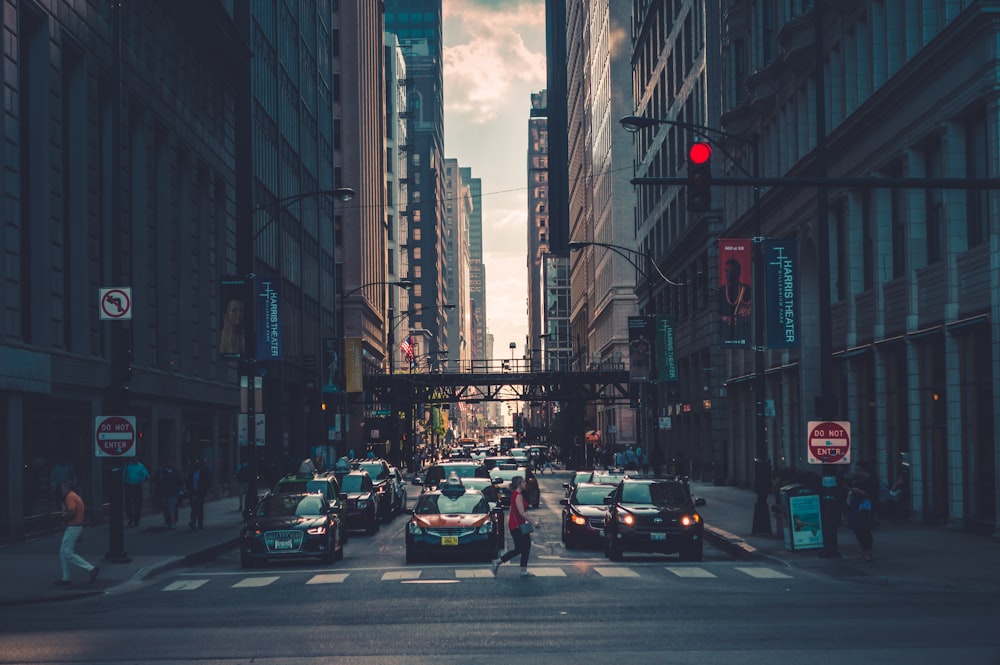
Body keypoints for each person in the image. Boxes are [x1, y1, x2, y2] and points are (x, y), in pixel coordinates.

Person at [491, 476, 539, 577]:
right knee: (520, 548)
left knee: (526, 547)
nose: (525, 483)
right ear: (518, 484)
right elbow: (522, 512)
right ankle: (498, 561)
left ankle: (523, 570)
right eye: (523, 482)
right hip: (516, 526)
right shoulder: (518, 496)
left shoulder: (516, 495)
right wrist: (533, 522)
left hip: (519, 524)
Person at [55, 480, 99, 586]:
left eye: (62, 488)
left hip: (72, 527)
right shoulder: (76, 496)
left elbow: (72, 512)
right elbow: (79, 515)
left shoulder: (70, 497)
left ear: (67, 488)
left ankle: (90, 568)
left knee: (67, 553)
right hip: (76, 527)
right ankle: (66, 577)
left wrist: (63, 518)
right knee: (63, 552)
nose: (61, 491)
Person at [847, 460, 880, 562]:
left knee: (864, 529)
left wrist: (860, 492)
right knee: (857, 528)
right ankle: (864, 549)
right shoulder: (857, 480)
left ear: (864, 471)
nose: (856, 472)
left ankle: (867, 550)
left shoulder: (871, 481)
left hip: (866, 507)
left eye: (858, 470)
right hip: (856, 507)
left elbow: (873, 495)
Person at [720, 258, 752, 345]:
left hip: (743, 331)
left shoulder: (746, 289)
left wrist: (744, 315)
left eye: (731, 271)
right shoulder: (721, 291)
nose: (728, 274)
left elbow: (751, 309)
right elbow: (716, 314)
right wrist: (727, 318)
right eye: (726, 270)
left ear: (738, 273)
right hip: (726, 332)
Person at [156, 458, 183, 529]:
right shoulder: (161, 471)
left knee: (172, 507)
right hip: (163, 493)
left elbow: (180, 481)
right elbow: (155, 479)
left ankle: (173, 522)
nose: (171, 464)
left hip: (173, 493)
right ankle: (167, 521)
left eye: (172, 462)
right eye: (169, 462)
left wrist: (180, 490)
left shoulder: (176, 471)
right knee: (165, 508)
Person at [123, 457, 150, 527]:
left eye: (135, 458)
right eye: (133, 458)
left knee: (137, 504)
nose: (134, 459)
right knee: (127, 503)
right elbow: (124, 474)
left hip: (137, 486)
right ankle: (131, 517)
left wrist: (144, 479)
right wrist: (123, 482)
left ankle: (136, 520)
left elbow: (146, 475)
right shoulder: (127, 465)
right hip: (128, 486)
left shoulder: (141, 466)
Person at [187, 458, 213, 530]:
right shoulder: (191, 471)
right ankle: (193, 522)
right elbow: (188, 481)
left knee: (199, 507)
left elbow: (209, 481)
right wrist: (189, 490)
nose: (197, 464)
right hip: (193, 492)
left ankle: (199, 522)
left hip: (201, 492)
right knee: (194, 507)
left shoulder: (204, 471)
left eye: (198, 462)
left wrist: (205, 489)